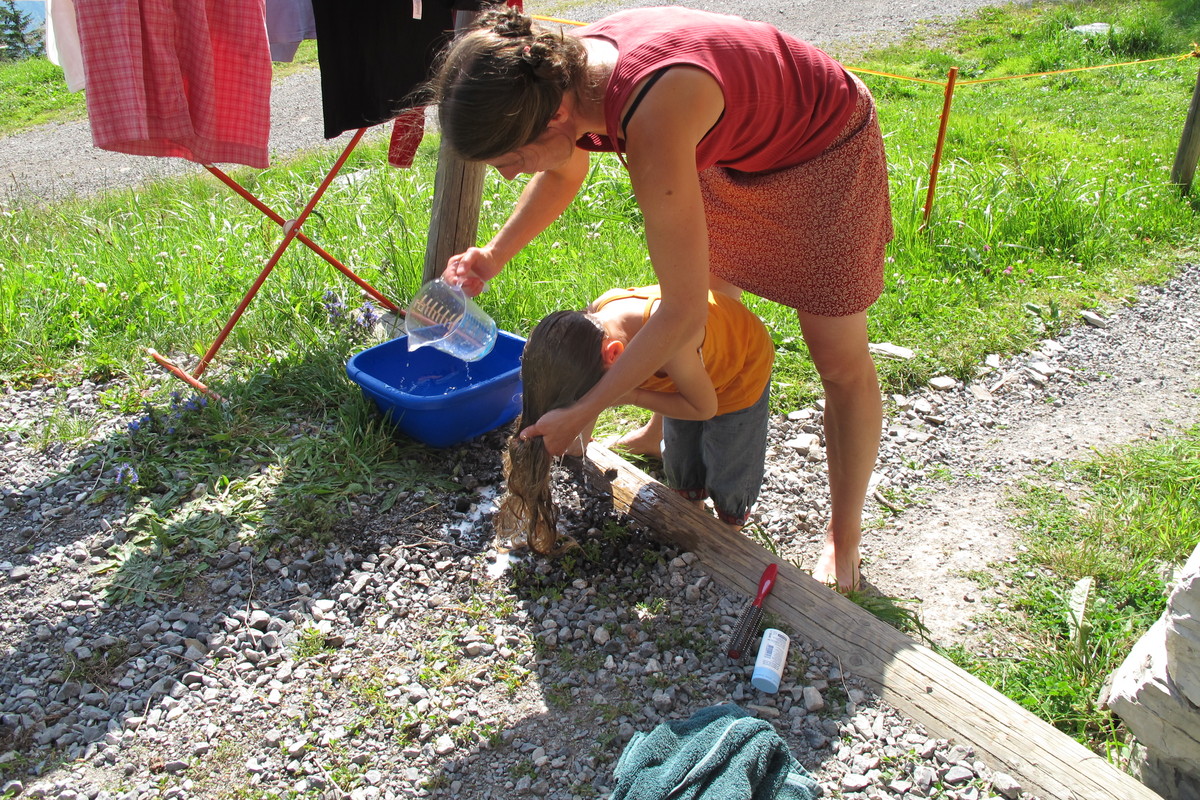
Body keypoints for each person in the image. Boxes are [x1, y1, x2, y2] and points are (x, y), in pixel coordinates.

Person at [430, 5, 892, 591]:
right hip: (730, 146)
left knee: (839, 361)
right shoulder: (553, 78)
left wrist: (586, 408)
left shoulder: (651, 113)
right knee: (709, 295)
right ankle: (658, 434)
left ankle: (843, 539)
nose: (506, 176)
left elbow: (680, 316)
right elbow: (564, 172)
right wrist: (492, 256)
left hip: (821, 147)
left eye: (510, 160)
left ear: (556, 116)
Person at [495, 285, 775, 554]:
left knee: (730, 459)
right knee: (680, 448)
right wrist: (575, 444)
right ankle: (691, 505)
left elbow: (704, 408)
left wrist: (633, 396)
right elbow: (586, 397)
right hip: (687, 374)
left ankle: (729, 525)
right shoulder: (594, 322)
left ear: (614, 354)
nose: (595, 400)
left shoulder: (672, 343)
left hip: (738, 374)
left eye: (596, 393)